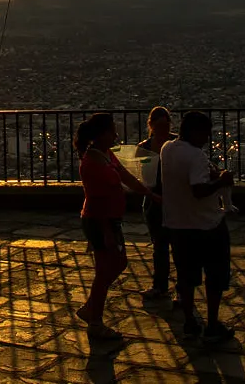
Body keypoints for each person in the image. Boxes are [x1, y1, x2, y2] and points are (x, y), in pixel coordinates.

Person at [75, 112, 163, 341]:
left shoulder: (105, 156)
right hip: (100, 221)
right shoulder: (91, 163)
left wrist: (150, 195)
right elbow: (98, 199)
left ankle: (91, 309)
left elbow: (126, 177)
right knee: (105, 271)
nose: (116, 135)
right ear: (101, 134)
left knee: (116, 264)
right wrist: (106, 231)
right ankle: (95, 322)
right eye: (112, 131)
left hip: (109, 220)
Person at [161, 111, 236, 345]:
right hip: (205, 224)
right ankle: (212, 324)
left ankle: (190, 322)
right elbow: (198, 190)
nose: (206, 138)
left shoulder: (167, 149)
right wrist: (221, 181)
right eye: (204, 133)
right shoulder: (195, 156)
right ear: (194, 132)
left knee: (186, 275)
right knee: (215, 275)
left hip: (176, 222)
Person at [137, 106, 177, 303]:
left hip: (175, 200)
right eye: (159, 126)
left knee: (179, 246)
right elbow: (144, 177)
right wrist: (152, 195)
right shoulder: (144, 147)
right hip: (154, 200)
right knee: (160, 246)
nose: (163, 129)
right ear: (151, 126)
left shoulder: (178, 143)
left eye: (166, 125)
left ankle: (182, 288)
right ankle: (160, 286)